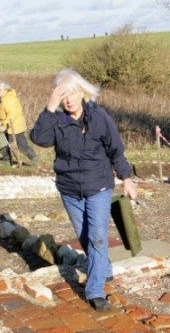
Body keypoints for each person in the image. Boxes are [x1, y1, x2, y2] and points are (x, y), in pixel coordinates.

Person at [30, 68, 137, 311]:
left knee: (98, 236)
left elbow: (115, 150)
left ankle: (95, 290)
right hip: (69, 190)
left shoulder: (99, 117)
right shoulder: (56, 120)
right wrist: (49, 107)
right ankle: (104, 268)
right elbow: (39, 139)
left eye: (72, 94)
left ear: (82, 93)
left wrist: (126, 178)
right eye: (62, 96)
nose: (68, 100)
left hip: (98, 186)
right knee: (85, 236)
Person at [0, 80, 39, 167]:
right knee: (1, 144)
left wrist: (4, 126)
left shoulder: (11, 100)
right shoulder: (0, 99)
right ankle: (7, 161)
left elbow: (12, 115)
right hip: (3, 126)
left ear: (5, 90)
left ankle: (34, 159)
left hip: (15, 127)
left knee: (21, 146)